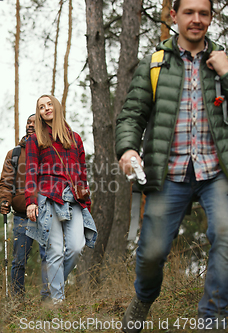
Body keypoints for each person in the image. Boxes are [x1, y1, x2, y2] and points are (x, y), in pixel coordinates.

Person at [115, 0, 228, 331]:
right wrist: (127, 150)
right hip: (169, 172)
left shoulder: (222, 60)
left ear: (211, 18)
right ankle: (144, 299)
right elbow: (132, 114)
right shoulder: (155, 63)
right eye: (189, 12)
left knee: (226, 234)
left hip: (216, 171)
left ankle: (213, 318)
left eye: (204, 13)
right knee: (152, 252)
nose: (196, 20)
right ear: (173, 15)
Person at [25, 94, 97, 305]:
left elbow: (82, 174)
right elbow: (30, 171)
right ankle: (57, 304)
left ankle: (53, 286)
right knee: (54, 251)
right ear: (38, 113)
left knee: (76, 247)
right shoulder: (35, 139)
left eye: (49, 104)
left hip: (73, 199)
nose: (46, 109)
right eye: (41, 107)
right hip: (47, 197)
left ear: (56, 107)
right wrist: (30, 201)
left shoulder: (75, 139)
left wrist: (87, 204)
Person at [0, 114, 50, 301]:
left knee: (48, 258)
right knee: (19, 260)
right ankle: (16, 300)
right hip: (22, 214)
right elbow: (6, 181)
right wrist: (5, 200)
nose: (30, 126)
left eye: (35, 123)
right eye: (28, 123)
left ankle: (48, 300)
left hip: (46, 213)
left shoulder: (48, 151)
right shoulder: (15, 154)